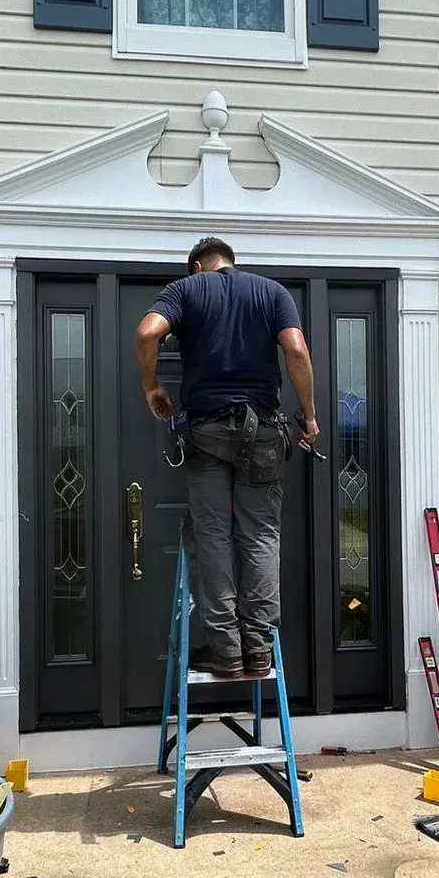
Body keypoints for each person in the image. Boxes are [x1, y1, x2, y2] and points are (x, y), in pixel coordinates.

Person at [137, 237, 317, 680]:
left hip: (208, 431)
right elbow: (295, 349)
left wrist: (152, 386)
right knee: (259, 536)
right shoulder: (271, 292)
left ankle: (226, 653)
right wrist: (308, 416)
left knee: (213, 536)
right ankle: (258, 651)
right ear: (230, 262)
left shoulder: (187, 290)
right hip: (265, 430)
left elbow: (147, 332)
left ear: (198, 266)